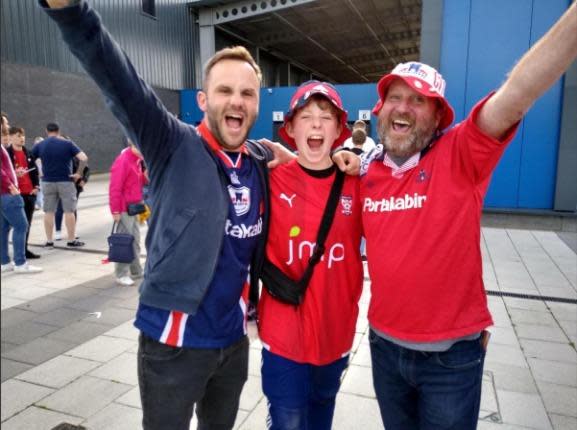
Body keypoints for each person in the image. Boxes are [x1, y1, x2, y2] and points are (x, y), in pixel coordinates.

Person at [39, 1, 296, 429]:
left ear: (257, 104)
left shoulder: (256, 160)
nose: (236, 101)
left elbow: (303, 161)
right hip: (173, 343)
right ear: (203, 99)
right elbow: (117, 78)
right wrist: (71, 12)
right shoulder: (171, 144)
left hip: (232, 341)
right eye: (224, 91)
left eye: (247, 93)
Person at [333, 4, 577, 429]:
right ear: (380, 110)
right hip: (384, 348)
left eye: (418, 100)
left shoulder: (461, 153)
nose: (403, 108)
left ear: (438, 116)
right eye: (395, 97)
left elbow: (517, 94)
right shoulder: (368, 170)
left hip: (451, 360)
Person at [257, 81, 363, 430]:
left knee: (321, 418)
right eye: (306, 116)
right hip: (284, 332)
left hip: (335, 332)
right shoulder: (270, 180)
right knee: (288, 421)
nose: (316, 124)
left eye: (326, 117)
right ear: (290, 128)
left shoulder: (358, 184)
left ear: (338, 130)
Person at [31, 122, 88, 247]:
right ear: (59, 131)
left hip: (47, 182)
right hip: (66, 181)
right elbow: (83, 158)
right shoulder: (67, 143)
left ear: (46, 131)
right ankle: (71, 240)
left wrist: (39, 171)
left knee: (49, 212)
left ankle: (49, 241)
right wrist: (78, 173)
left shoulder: (40, 145)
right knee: (69, 211)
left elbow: (30, 159)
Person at [1, 112, 42, 274]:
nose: (7, 125)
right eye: (5, 122)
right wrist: (11, 185)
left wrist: (12, 176)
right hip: (8, 193)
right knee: (22, 225)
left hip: (4, 192)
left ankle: (4, 262)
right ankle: (20, 263)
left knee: (3, 228)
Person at [108, 139, 147, 286]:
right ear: (133, 145)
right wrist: (115, 210)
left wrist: (144, 176)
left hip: (134, 206)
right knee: (124, 242)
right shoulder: (123, 161)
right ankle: (121, 274)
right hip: (124, 208)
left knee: (135, 240)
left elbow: (136, 182)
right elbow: (115, 187)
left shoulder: (136, 160)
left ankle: (136, 270)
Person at [7, 127, 41, 259]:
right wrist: (14, 174)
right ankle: (14, 253)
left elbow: (35, 171)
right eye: (18, 135)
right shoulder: (7, 154)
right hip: (14, 194)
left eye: (23, 135)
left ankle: (24, 250)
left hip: (29, 193)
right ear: (10, 137)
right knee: (13, 225)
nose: (21, 138)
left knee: (26, 224)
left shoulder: (29, 152)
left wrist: (36, 187)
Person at [54, 146, 90, 241]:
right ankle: (58, 231)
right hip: (61, 185)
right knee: (60, 208)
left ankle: (72, 231)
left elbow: (87, 169)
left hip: (75, 187)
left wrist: (84, 180)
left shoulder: (77, 157)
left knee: (72, 209)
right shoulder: (57, 157)